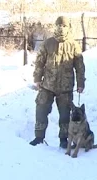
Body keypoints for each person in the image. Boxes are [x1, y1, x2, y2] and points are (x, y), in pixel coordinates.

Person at [29, 16, 86, 148]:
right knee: (41, 109)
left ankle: (63, 139)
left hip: (65, 88)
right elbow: (39, 62)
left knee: (65, 115)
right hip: (47, 85)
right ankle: (39, 137)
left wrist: (81, 83)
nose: (61, 28)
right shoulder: (48, 43)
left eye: (64, 26)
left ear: (68, 28)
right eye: (59, 25)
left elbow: (80, 67)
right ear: (55, 26)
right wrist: (37, 79)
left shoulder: (73, 45)